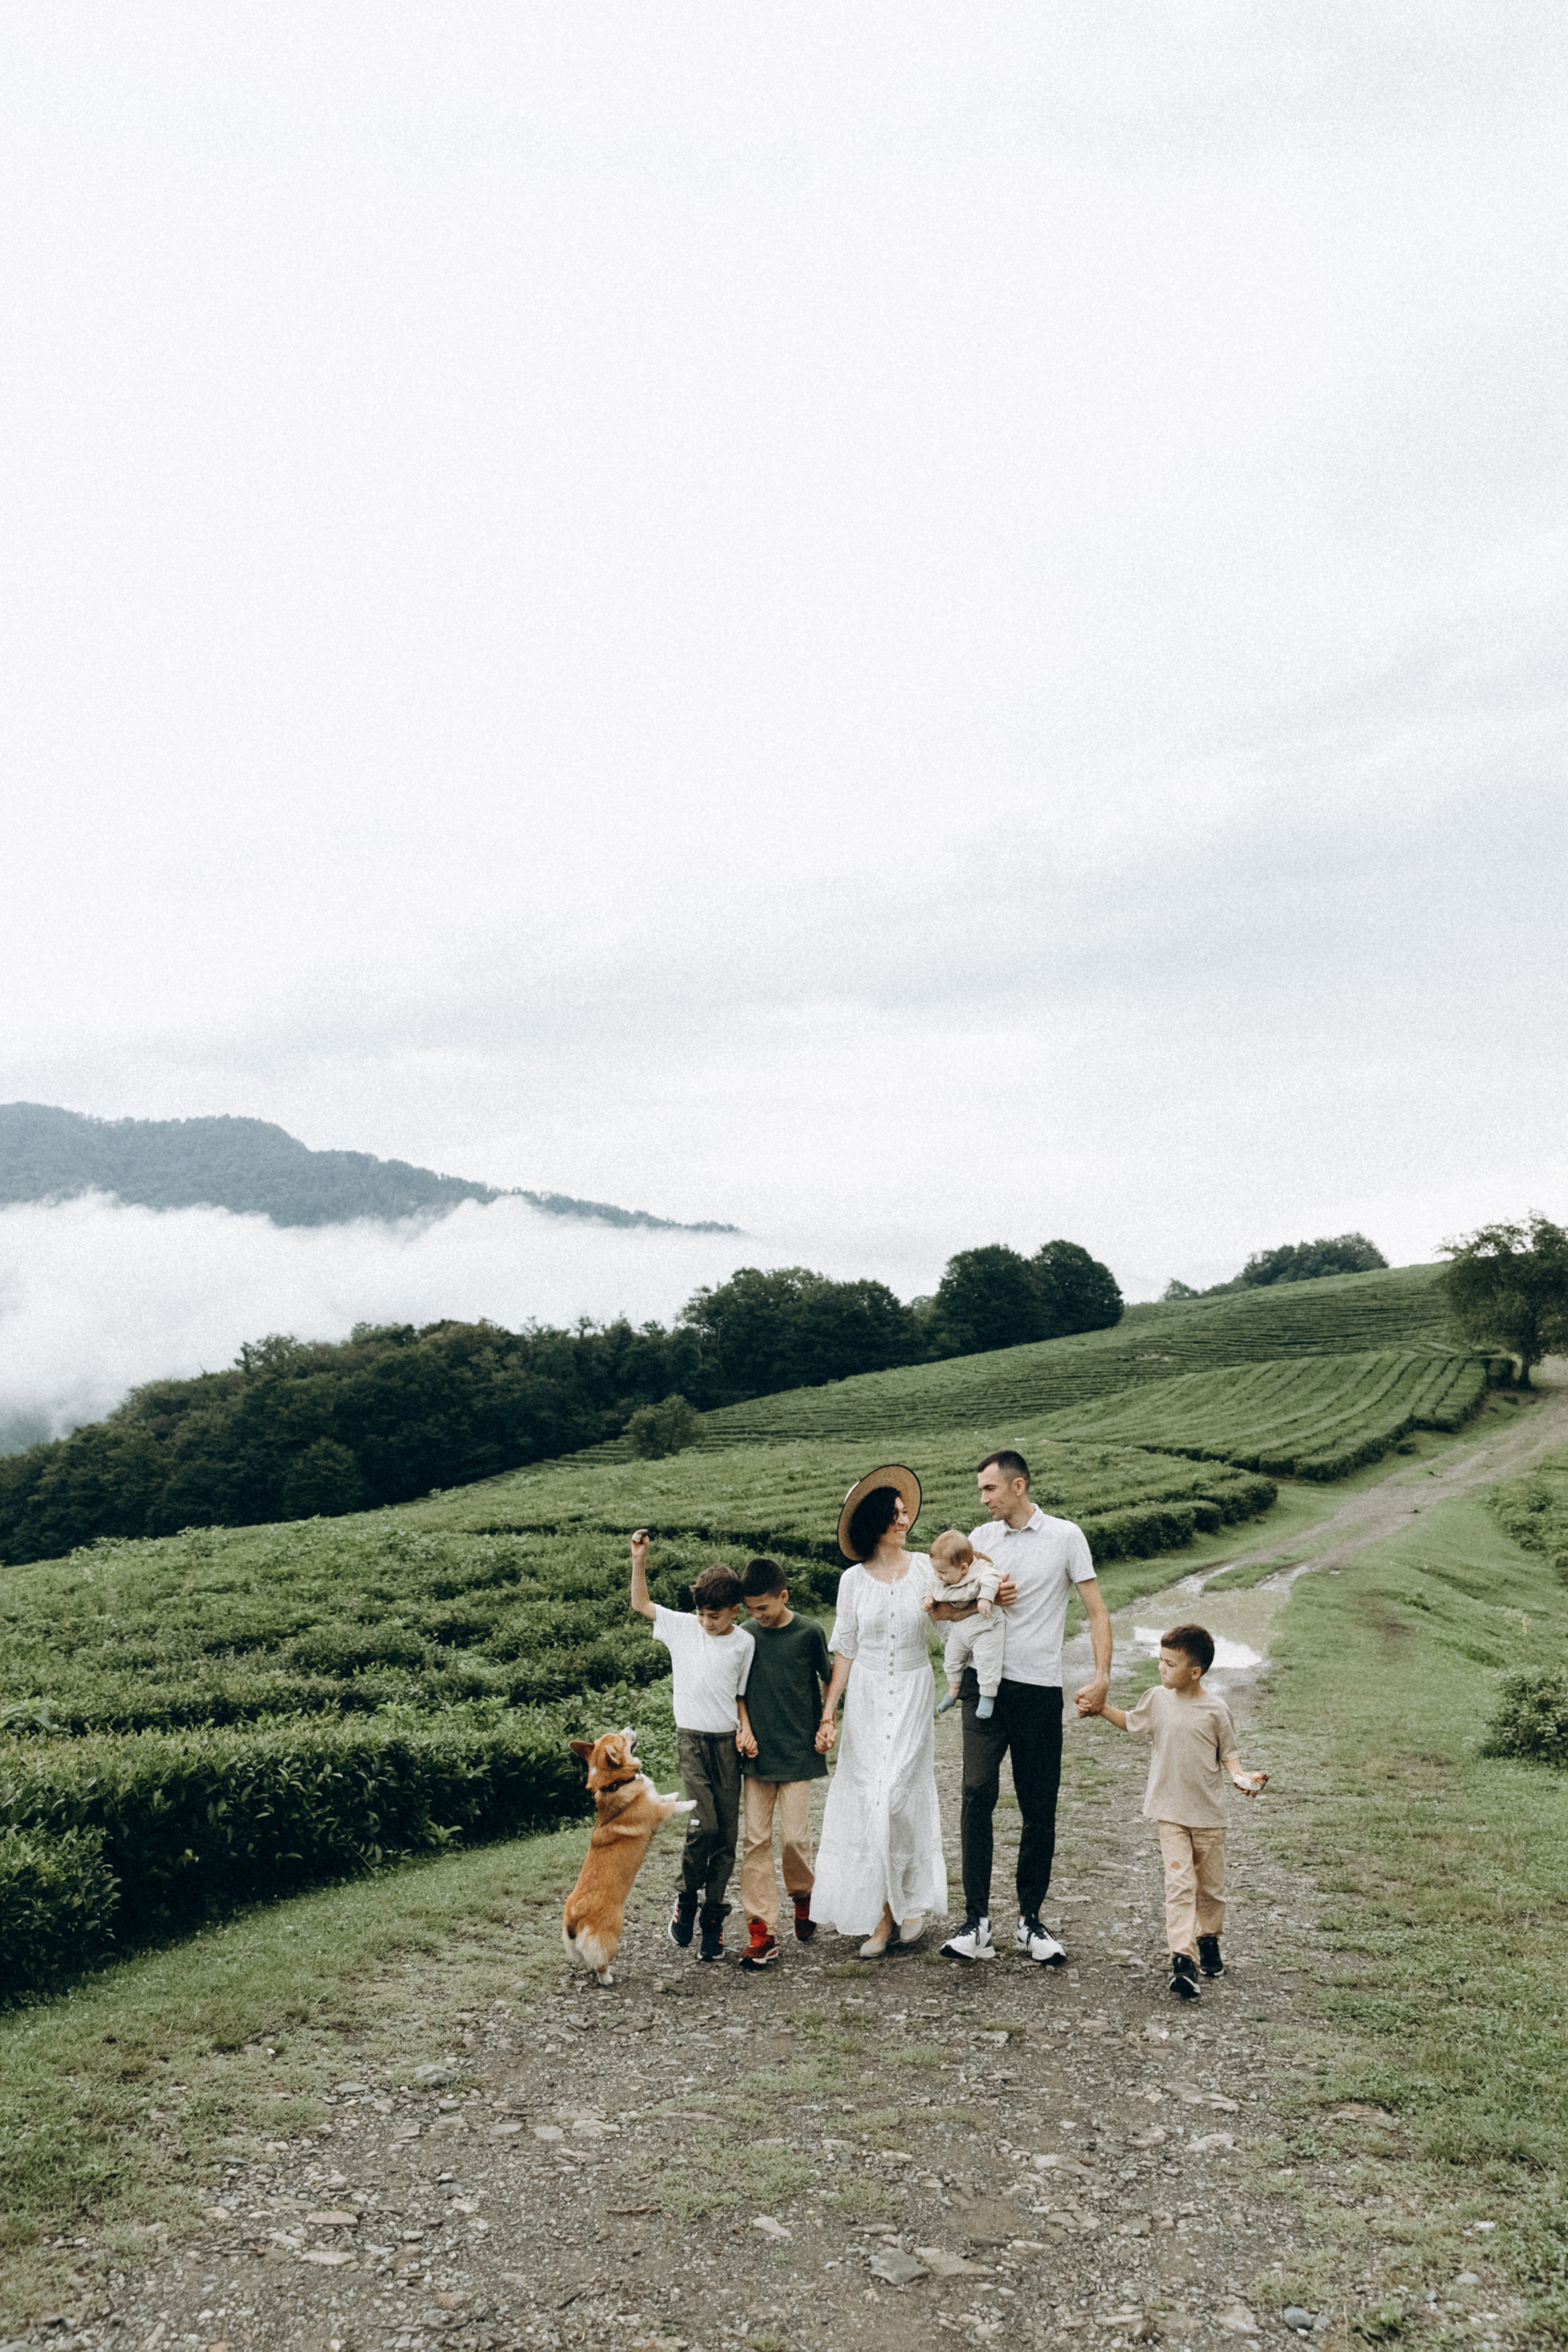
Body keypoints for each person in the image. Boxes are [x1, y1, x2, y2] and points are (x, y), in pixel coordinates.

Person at [935, 1449, 1113, 1968]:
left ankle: (1031, 1921)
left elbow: (1097, 1611)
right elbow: (946, 1610)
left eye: (989, 1489)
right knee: (975, 1792)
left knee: (1039, 1806)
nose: (983, 1499)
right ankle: (976, 1922)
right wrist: (981, 1603)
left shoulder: (1065, 1536)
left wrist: (1102, 1677)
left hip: (1038, 1690)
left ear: (1017, 1486)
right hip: (981, 1686)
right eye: (980, 1491)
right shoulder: (978, 1542)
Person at [1082, 1621, 1267, 2000]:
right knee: (1179, 1886)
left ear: (1194, 1672)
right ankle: (1183, 1960)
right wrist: (1100, 1710)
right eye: (1160, 1661)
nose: (1162, 1669)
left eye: (1170, 1664)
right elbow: (1133, 1724)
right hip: (1169, 1811)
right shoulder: (1156, 1699)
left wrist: (1240, 1777)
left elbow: (1229, 1754)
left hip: (1210, 1817)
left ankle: (1209, 1938)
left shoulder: (1216, 1710)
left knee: (1211, 1889)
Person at [809, 1465, 946, 1959]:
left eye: (905, 1511)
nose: (905, 1519)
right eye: (894, 1514)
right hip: (867, 1696)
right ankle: (884, 1913)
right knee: (870, 1800)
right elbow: (844, 1650)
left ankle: (900, 1910)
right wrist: (830, 1713)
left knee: (898, 1798)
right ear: (876, 1523)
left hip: (912, 1691)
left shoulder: (927, 1569)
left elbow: (950, 1628)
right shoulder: (853, 1581)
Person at [630, 1530, 754, 1964]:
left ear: (734, 1611)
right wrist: (639, 1561)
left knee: (727, 1835)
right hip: (692, 1741)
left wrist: (746, 1729)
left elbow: (741, 1696)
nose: (706, 1622)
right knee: (704, 1823)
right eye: (702, 1614)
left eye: (715, 1616)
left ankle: (713, 1918)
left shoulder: (745, 1642)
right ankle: (686, 1897)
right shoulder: (683, 1626)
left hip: (727, 1745)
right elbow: (641, 1605)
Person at [733, 1556, 832, 1972]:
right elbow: (736, 1691)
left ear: (783, 1596)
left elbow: (830, 1680)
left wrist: (829, 1722)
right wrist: (744, 1729)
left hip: (799, 1753)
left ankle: (802, 1896)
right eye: (752, 1609)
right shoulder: (744, 1636)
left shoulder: (809, 1632)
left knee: (794, 1837)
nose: (758, 1616)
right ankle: (762, 1931)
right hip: (756, 1756)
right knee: (756, 1841)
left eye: (765, 1608)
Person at [925, 1529, 1005, 1719]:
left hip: (985, 1627)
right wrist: (928, 1598)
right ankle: (953, 1691)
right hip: (960, 1629)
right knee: (951, 1659)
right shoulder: (941, 1577)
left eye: (943, 1572)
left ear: (963, 1568)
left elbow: (992, 1579)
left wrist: (985, 1598)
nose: (938, 1576)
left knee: (987, 1661)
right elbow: (930, 1585)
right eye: (936, 1570)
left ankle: (987, 1695)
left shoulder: (980, 1572)